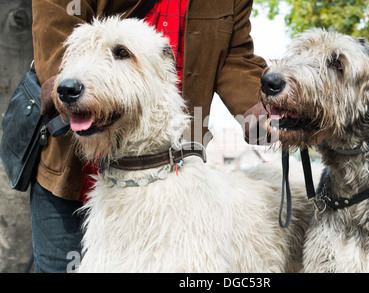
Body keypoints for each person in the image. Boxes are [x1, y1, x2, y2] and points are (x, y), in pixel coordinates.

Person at [31, 0, 268, 272]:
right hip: (70, 173)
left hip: (172, 169)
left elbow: (235, 57)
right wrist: (63, 82)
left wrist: (262, 110)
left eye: (120, 53)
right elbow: (56, 22)